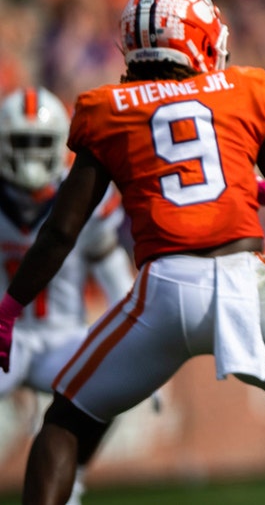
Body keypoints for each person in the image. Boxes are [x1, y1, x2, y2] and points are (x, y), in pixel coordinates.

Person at [0, 0, 265, 505]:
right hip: (243, 280)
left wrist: (10, 306)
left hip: (162, 289)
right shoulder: (244, 88)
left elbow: (62, 231)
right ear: (201, 40)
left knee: (65, 420)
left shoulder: (107, 108)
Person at [0, 86, 137, 505]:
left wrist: (134, 330)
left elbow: (109, 265)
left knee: (113, 382)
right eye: (21, 142)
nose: (31, 153)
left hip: (63, 335)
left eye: (41, 142)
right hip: (8, 337)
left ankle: (70, 476)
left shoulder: (84, 193)